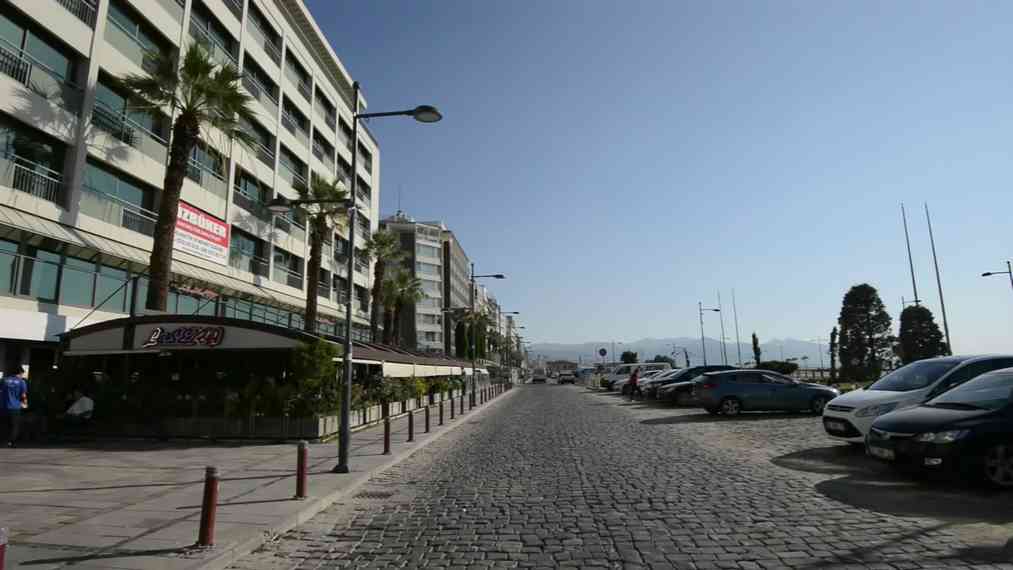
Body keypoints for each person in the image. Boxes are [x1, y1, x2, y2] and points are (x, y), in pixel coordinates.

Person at [3, 366, 28, 447]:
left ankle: (4, 440)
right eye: (22, 374)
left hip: (4, 406)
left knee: (5, 424)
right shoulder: (21, 382)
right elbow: (23, 395)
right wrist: (25, 403)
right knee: (15, 426)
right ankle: (11, 442)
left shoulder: (4, 380)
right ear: (20, 373)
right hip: (15, 407)